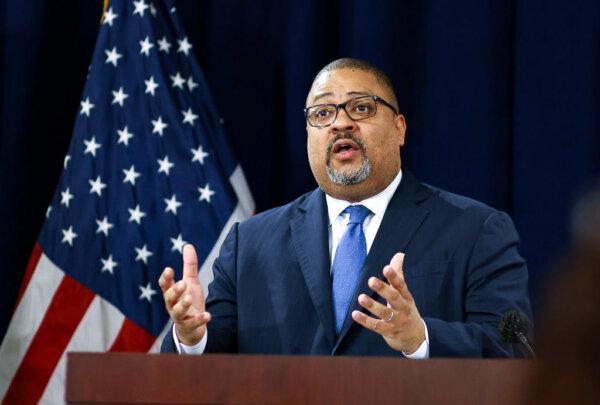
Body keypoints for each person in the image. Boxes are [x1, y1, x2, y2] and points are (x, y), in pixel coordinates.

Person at [159, 58, 532, 357]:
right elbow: (214, 354)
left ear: (399, 128)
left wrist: (421, 338)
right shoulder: (250, 242)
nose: (340, 123)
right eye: (322, 114)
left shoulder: (476, 230)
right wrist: (191, 337)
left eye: (361, 107)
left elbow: (513, 350)